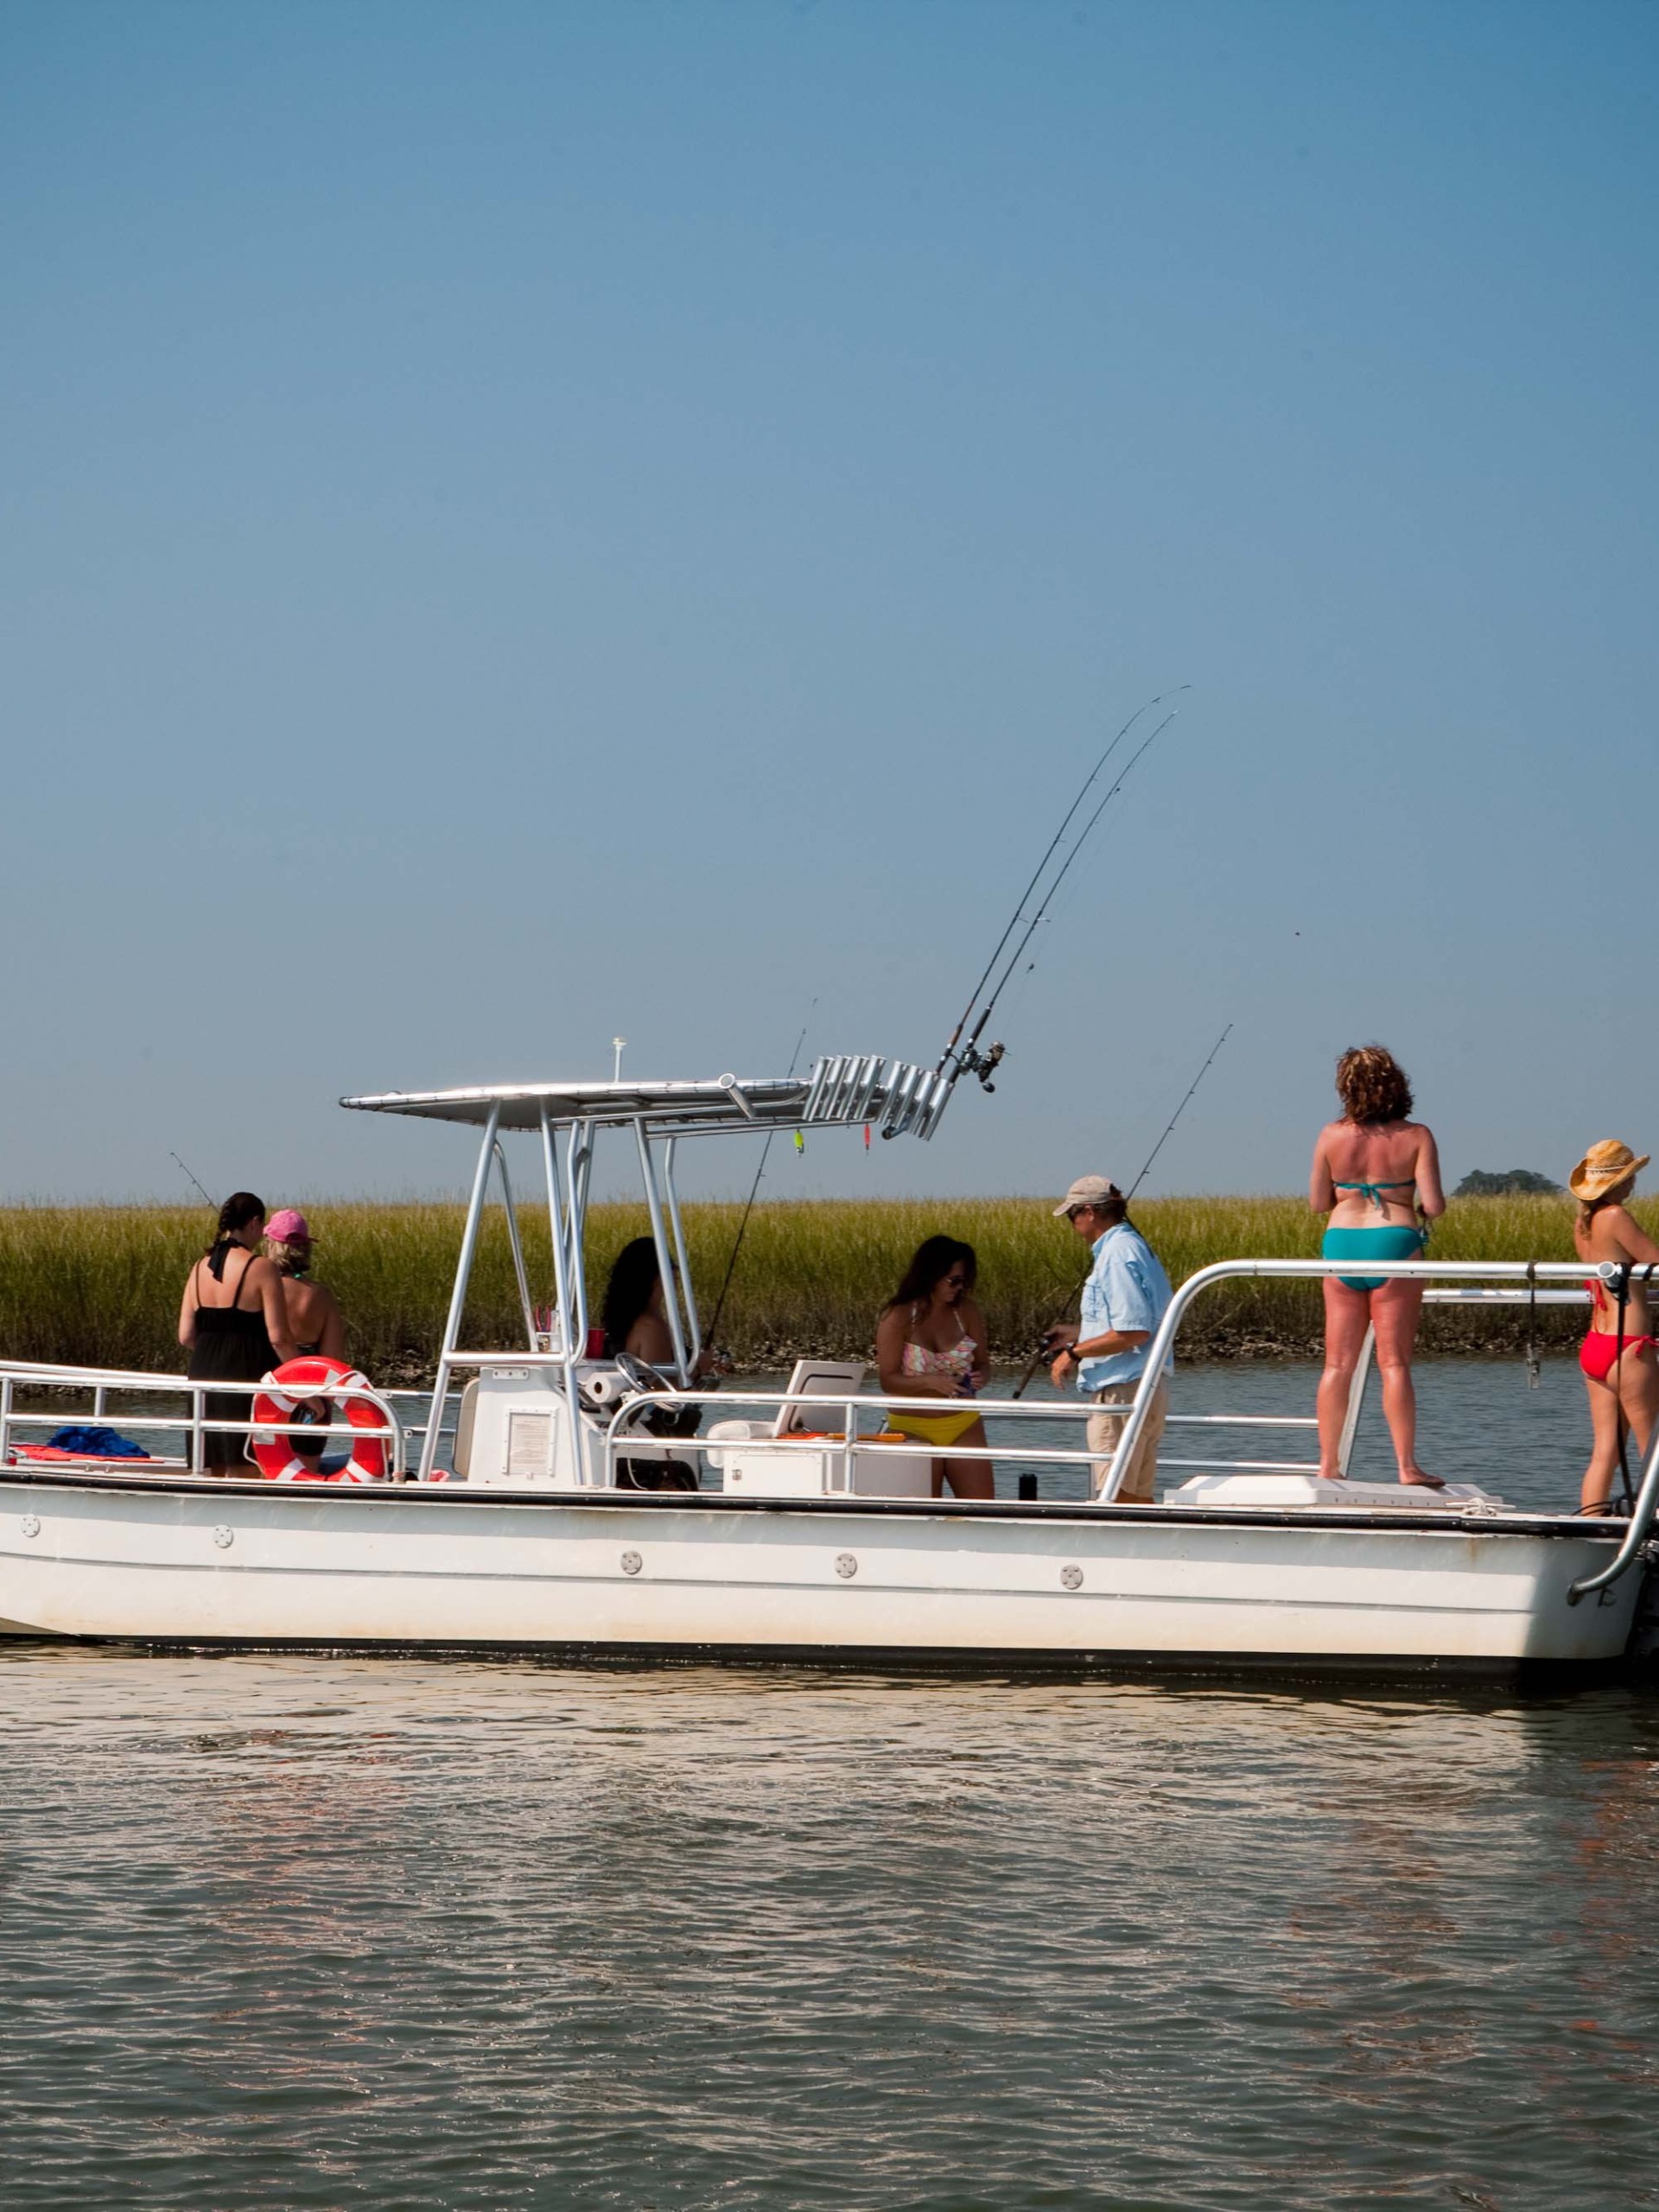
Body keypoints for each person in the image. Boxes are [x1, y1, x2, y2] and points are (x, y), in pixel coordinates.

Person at [1308, 1045, 1445, 1487]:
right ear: (1396, 1084)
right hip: (1396, 1243)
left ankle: (1328, 1464)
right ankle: (1406, 1466)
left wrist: (1348, 1190)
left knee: (1337, 1364)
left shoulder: (1330, 1135)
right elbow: (1435, 1206)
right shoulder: (1418, 1135)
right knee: (1394, 1363)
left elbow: (1316, 1203)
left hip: (1341, 1244)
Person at [1044, 1179, 1173, 1503]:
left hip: (1121, 1391)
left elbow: (1132, 1331)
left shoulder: (1116, 1254)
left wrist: (1072, 1353)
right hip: (1145, 1385)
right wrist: (1076, 1333)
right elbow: (1138, 1323)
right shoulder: (1134, 1245)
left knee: (1114, 1494)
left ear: (1089, 1212)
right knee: (1137, 1495)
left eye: (1073, 1215)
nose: (1072, 1224)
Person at [1570, 1140, 1659, 1517]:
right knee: (1650, 1445)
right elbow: (1655, 1260)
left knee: (1605, 1448)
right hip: (1630, 1345)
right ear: (1619, 1182)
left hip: (1596, 1344)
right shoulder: (1616, 1216)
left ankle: (1591, 1523)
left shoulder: (1583, 1223)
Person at [178, 1192, 296, 1476]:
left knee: (212, 1465)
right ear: (255, 1223)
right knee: (248, 1465)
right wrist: (301, 1382)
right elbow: (279, 1337)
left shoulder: (198, 1268)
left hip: (203, 1374)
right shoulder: (262, 1268)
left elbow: (185, 1336)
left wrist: (216, 1353)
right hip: (245, 1375)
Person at [874, 1236, 993, 1499]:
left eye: (965, 1281)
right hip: (911, 1426)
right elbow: (888, 1380)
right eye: (953, 1281)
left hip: (964, 1423)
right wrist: (930, 1382)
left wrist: (980, 1376)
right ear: (931, 1275)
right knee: (924, 1517)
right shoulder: (898, 1316)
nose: (960, 1288)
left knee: (983, 1513)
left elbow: (984, 1363)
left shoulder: (967, 1312)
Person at [599, 1236, 720, 1490]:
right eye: (670, 1264)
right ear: (655, 1276)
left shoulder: (631, 1320)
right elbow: (667, 1394)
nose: (676, 1271)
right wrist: (700, 1368)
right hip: (652, 1438)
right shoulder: (651, 1325)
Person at [264, 1209, 346, 1474]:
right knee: (307, 1470)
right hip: (310, 1392)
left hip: (269, 1388)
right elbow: (333, 1358)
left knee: (262, 1463)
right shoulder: (321, 1297)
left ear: (272, 1245)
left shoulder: (261, 1291)